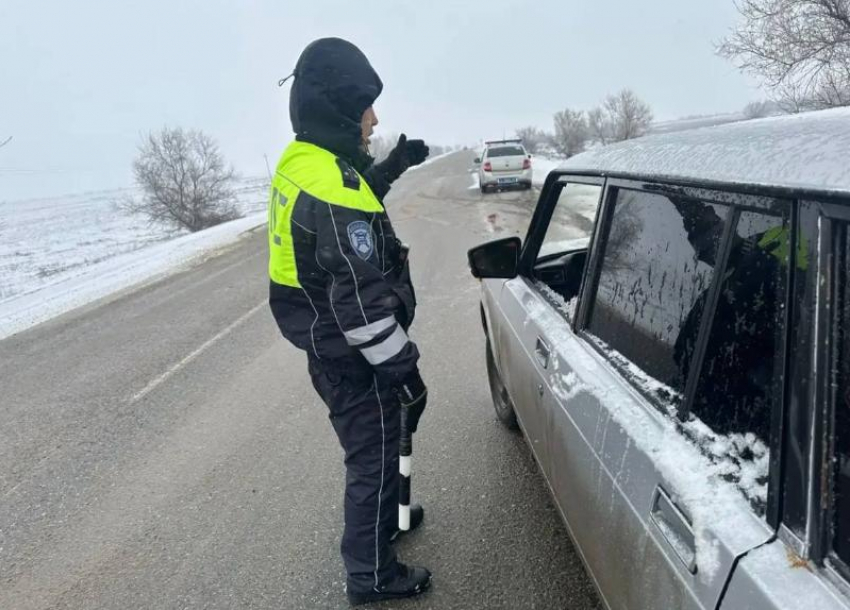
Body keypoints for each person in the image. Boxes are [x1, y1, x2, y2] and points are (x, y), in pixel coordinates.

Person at [267, 38, 432, 605]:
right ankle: (371, 574)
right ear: (339, 106)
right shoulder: (329, 186)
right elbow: (361, 307)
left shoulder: (305, 162)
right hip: (353, 356)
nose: (374, 117)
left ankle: (385, 529)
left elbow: (355, 203)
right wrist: (403, 371)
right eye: (364, 104)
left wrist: (392, 166)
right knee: (375, 458)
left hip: (326, 347)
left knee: (377, 452)